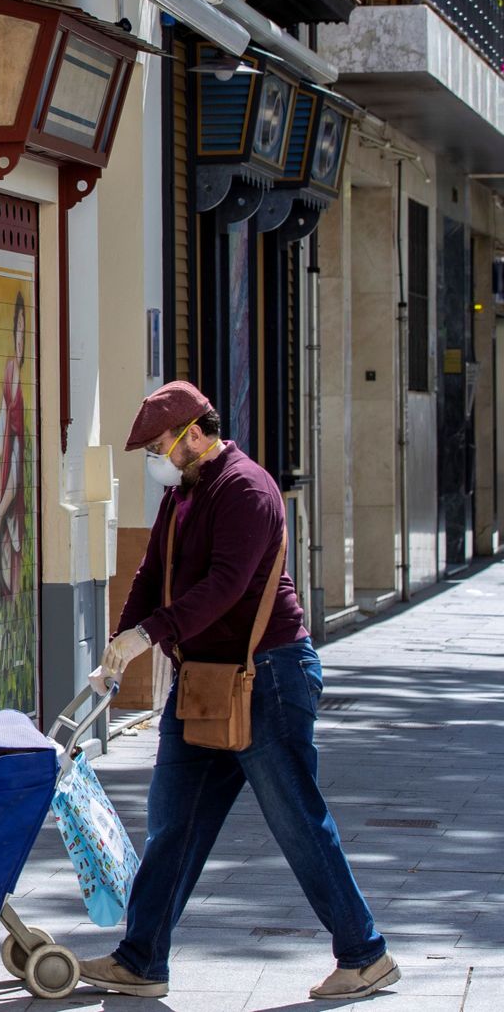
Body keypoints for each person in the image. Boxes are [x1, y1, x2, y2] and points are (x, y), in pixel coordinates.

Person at [81, 381, 397, 1002]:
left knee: (297, 822)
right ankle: (142, 960)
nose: (156, 463)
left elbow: (226, 586)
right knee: (175, 823)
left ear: (194, 433)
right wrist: (120, 645)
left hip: (267, 676)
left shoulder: (246, 488)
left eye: (159, 449)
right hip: (205, 680)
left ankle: (365, 955)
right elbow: (152, 575)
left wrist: (151, 634)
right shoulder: (187, 494)